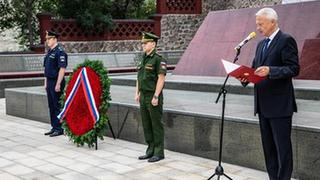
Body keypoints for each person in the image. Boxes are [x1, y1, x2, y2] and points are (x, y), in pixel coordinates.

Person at [239, 8, 299, 180]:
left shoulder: (286, 40)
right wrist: (244, 77)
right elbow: (255, 69)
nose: (258, 27)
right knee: (269, 149)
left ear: (273, 22)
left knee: (282, 149)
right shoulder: (261, 44)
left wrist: (271, 71)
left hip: (280, 106)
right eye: (257, 23)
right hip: (263, 106)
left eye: (261, 23)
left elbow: (294, 68)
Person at [135, 32, 167, 163]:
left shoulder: (159, 58)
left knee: (156, 124)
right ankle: (150, 150)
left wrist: (156, 95)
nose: (143, 45)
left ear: (153, 44)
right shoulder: (143, 58)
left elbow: (161, 78)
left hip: (152, 96)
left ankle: (159, 152)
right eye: (142, 43)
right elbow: (139, 76)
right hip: (143, 95)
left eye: (145, 43)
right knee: (146, 124)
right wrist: (137, 92)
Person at [43, 30, 68, 137]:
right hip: (49, 81)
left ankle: (60, 128)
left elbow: (62, 69)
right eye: (47, 39)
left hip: (56, 81)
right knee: (51, 105)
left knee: (57, 105)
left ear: (54, 39)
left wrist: (58, 84)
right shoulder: (49, 52)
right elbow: (46, 69)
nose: (47, 41)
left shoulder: (60, 52)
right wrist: (45, 82)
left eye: (49, 39)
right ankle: (54, 127)